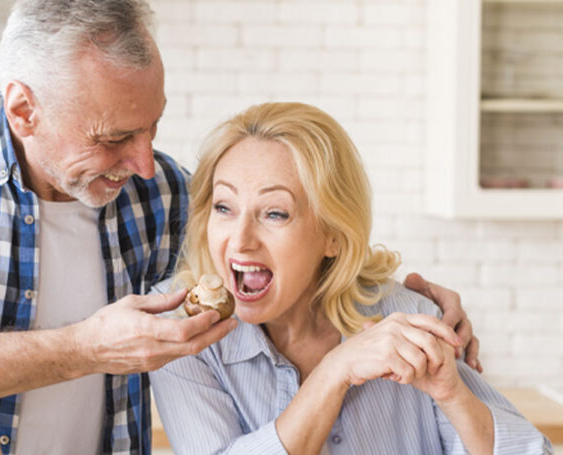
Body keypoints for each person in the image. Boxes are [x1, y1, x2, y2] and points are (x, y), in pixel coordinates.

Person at [0, 1, 477, 454]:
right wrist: (84, 348)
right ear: (24, 110)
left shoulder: (158, 190)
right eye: (115, 137)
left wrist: (409, 304)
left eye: (152, 128)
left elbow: (281, 238)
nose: (144, 162)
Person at [150, 102, 552, 454]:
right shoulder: (182, 337)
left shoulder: (406, 315)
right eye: (224, 207)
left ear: (333, 237)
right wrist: (334, 372)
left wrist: (453, 395)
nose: (240, 240)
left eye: (275, 213)